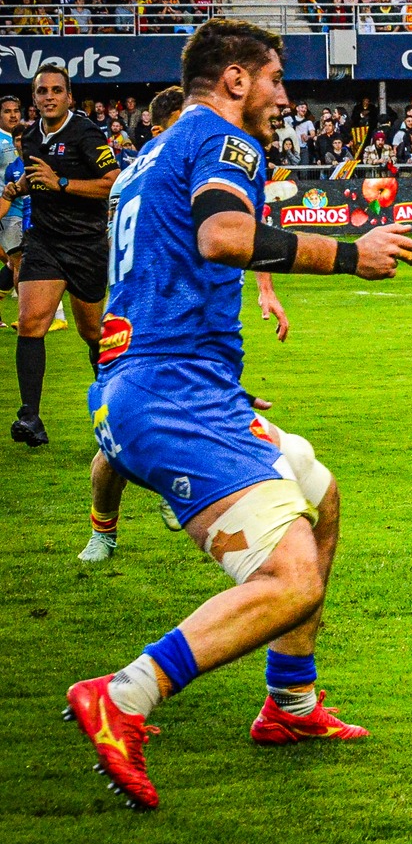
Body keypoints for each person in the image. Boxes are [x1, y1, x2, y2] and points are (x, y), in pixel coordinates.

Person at [67, 18, 412, 811]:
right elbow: (224, 236)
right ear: (235, 80)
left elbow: (157, 268)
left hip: (158, 381)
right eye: (273, 78)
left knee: (320, 495)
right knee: (290, 578)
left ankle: (290, 705)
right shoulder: (227, 143)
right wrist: (349, 253)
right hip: (172, 394)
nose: (282, 96)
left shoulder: (153, 152)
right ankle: (124, 696)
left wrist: (205, 372)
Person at [79, 86, 293, 564]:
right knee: (118, 450)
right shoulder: (175, 166)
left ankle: (180, 489)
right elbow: (212, 240)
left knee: (135, 436)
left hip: (182, 331)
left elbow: (245, 229)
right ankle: (106, 529)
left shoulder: (144, 174)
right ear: (161, 129)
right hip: (158, 331)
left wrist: (264, 289)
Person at [5, 64, 118, 446]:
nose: (49, 96)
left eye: (56, 90)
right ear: (33, 98)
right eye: (42, 91)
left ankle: (114, 408)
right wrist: (18, 187)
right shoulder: (31, 136)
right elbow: (37, 177)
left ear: (69, 97)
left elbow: (112, 182)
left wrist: (62, 182)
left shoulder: (86, 133)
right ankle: (30, 418)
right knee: (30, 322)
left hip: (85, 245)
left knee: (92, 334)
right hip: (45, 242)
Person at [0, 94, 22, 327]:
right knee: (18, 261)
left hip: (27, 207)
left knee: (13, 262)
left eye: (16, 110)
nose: (13, 115)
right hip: (6, 210)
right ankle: (26, 313)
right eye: (7, 111)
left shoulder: (25, 136)